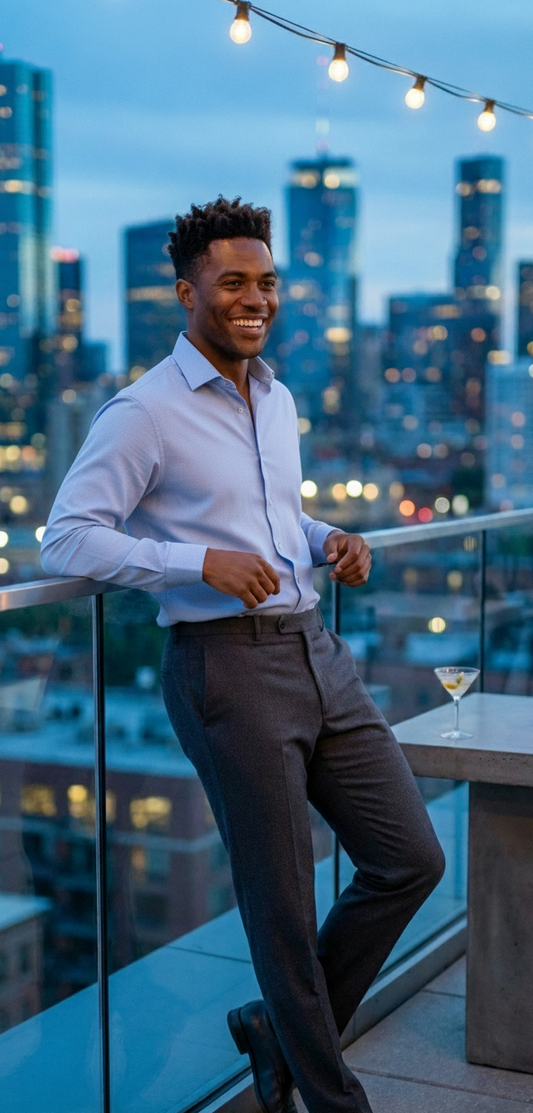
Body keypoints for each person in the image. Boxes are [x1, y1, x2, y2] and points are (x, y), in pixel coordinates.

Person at [41, 197, 445, 1113]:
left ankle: (277, 1027)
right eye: (232, 282)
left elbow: (269, 520)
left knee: (410, 856)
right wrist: (197, 564)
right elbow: (64, 540)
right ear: (187, 294)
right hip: (223, 668)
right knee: (281, 909)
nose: (254, 297)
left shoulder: (278, 396)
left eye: (266, 282)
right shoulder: (142, 412)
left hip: (316, 649)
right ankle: (332, 1099)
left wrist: (325, 535)